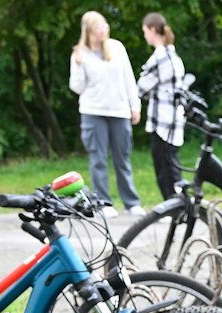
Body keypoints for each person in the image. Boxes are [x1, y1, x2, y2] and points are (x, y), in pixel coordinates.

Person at [71, 11, 143, 217]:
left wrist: (135, 105)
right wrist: (78, 65)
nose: (103, 30)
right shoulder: (80, 53)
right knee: (98, 160)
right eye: (99, 27)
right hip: (93, 112)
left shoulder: (117, 47)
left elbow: (128, 78)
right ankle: (103, 203)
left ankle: (131, 203)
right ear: (89, 31)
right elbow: (76, 87)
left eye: (105, 25)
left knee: (123, 158)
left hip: (119, 111)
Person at [137, 13, 188, 200]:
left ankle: (174, 206)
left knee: (165, 170)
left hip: (163, 122)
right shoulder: (172, 55)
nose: (144, 36)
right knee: (172, 166)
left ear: (152, 29)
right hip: (174, 118)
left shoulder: (160, 56)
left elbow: (141, 88)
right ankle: (180, 205)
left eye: (145, 31)